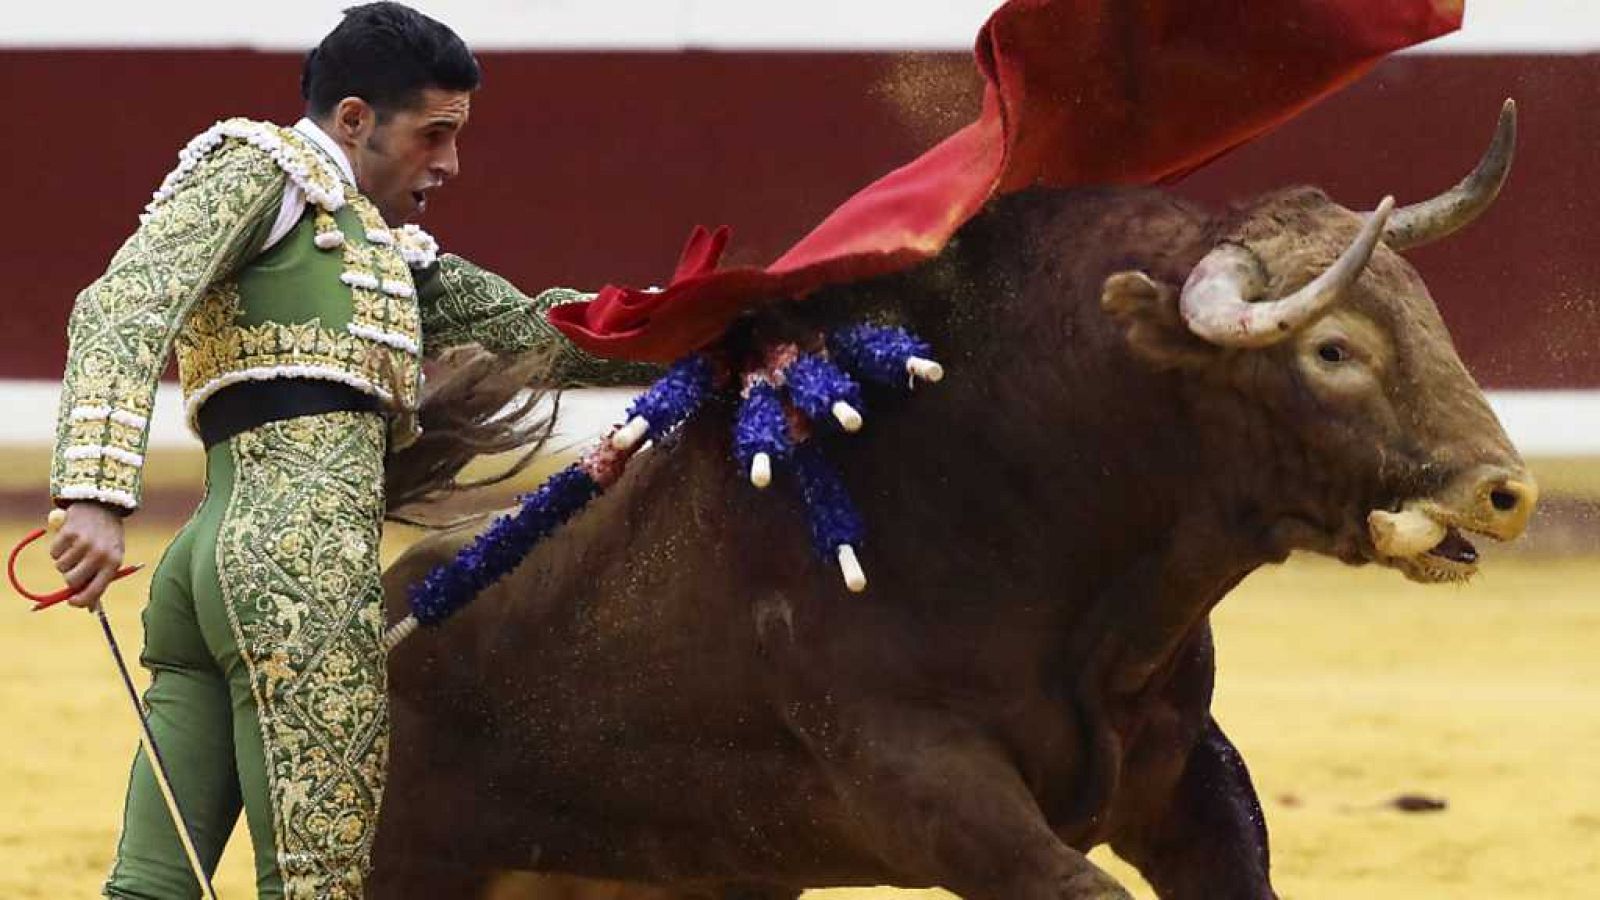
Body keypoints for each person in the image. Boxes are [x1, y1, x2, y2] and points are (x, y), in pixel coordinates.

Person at [45, 4, 644, 896]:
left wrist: (705, 319)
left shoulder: (384, 248)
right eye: (435, 134)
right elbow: (122, 304)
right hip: (298, 571)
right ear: (355, 118)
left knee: (152, 886)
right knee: (317, 883)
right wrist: (93, 492)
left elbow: (536, 330)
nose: (450, 164)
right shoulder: (264, 169)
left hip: (215, 564)